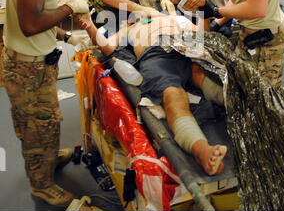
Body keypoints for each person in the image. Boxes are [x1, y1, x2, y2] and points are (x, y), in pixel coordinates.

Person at [1, 0, 90, 208]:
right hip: (27, 68)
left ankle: (49, 159)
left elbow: (42, 15)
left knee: (49, 120)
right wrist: (68, 7)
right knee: (36, 126)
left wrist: (65, 37)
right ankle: (42, 186)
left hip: (38, 63)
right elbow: (30, 23)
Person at [75, 12, 227, 176]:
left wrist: (206, 13)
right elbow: (108, 47)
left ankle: (238, 102)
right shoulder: (130, 29)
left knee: (204, 77)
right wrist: (90, 26)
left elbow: (202, 36)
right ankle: (201, 150)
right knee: (173, 94)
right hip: (155, 57)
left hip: (186, 51)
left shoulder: (175, 19)